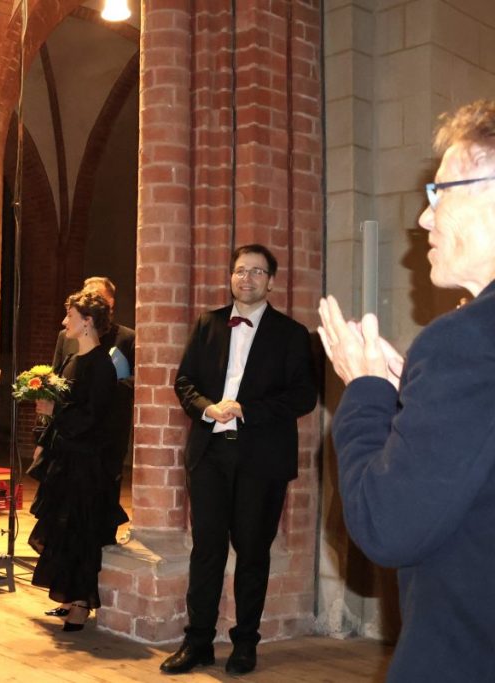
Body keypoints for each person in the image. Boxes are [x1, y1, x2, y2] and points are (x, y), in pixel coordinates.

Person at [318, 99, 495, 682]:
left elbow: (386, 525)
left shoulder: (465, 341)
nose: (423, 219)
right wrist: (412, 401)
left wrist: (364, 391)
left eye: (440, 192)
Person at [161, 244, 316, 676]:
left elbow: (303, 396)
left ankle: (245, 643)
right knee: (206, 551)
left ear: (271, 281)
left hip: (261, 459)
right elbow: (185, 381)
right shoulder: (207, 323)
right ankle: (198, 642)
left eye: (256, 272)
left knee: (252, 553)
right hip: (210, 454)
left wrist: (245, 409)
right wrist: (208, 408)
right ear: (231, 277)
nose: (246, 278)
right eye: (240, 271)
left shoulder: (291, 333)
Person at [28, 290, 127, 632]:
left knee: (82, 531)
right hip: (66, 458)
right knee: (63, 530)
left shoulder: (101, 365)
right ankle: (69, 595)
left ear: (87, 322)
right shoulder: (72, 360)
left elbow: (94, 417)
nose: (63, 321)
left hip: (87, 464)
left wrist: (56, 411)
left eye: (69, 316)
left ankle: (83, 602)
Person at [52, 276, 135, 502]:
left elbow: (133, 381)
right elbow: (56, 379)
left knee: (102, 496)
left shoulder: (126, 338)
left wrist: (102, 384)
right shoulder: (66, 337)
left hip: (108, 429)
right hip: (71, 433)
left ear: (110, 304)